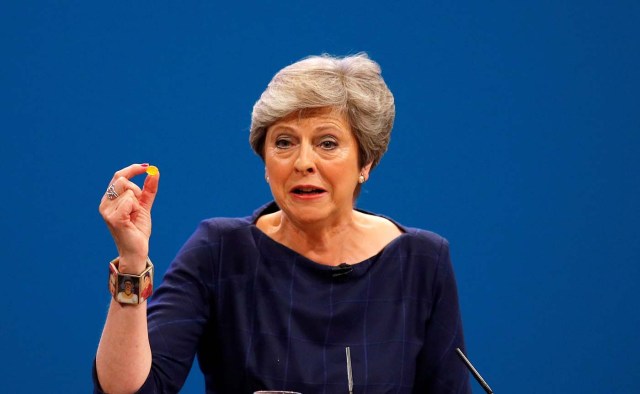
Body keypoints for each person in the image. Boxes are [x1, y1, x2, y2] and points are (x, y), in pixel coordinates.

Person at [94, 53, 470, 393]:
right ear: (265, 163)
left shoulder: (422, 262)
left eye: (327, 143)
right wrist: (130, 261)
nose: (303, 162)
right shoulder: (220, 251)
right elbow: (131, 392)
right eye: (285, 142)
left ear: (365, 163)